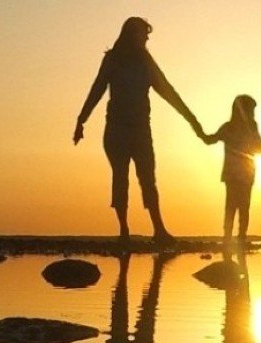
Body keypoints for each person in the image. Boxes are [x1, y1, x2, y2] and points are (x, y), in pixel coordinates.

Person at [74, 17, 206, 246]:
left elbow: (167, 91)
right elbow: (97, 88)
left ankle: (159, 230)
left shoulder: (146, 62)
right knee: (120, 178)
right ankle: (124, 230)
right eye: (143, 34)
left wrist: (191, 119)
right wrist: (81, 120)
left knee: (148, 179)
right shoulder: (113, 60)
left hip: (141, 129)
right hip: (116, 129)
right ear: (132, 34)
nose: (146, 39)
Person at [201, 95, 261, 244]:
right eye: (251, 110)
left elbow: (260, 148)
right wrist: (200, 132)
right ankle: (232, 238)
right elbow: (211, 139)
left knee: (237, 207)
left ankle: (235, 237)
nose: (253, 114)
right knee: (236, 207)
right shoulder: (230, 128)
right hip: (236, 174)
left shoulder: (241, 127)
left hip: (243, 174)